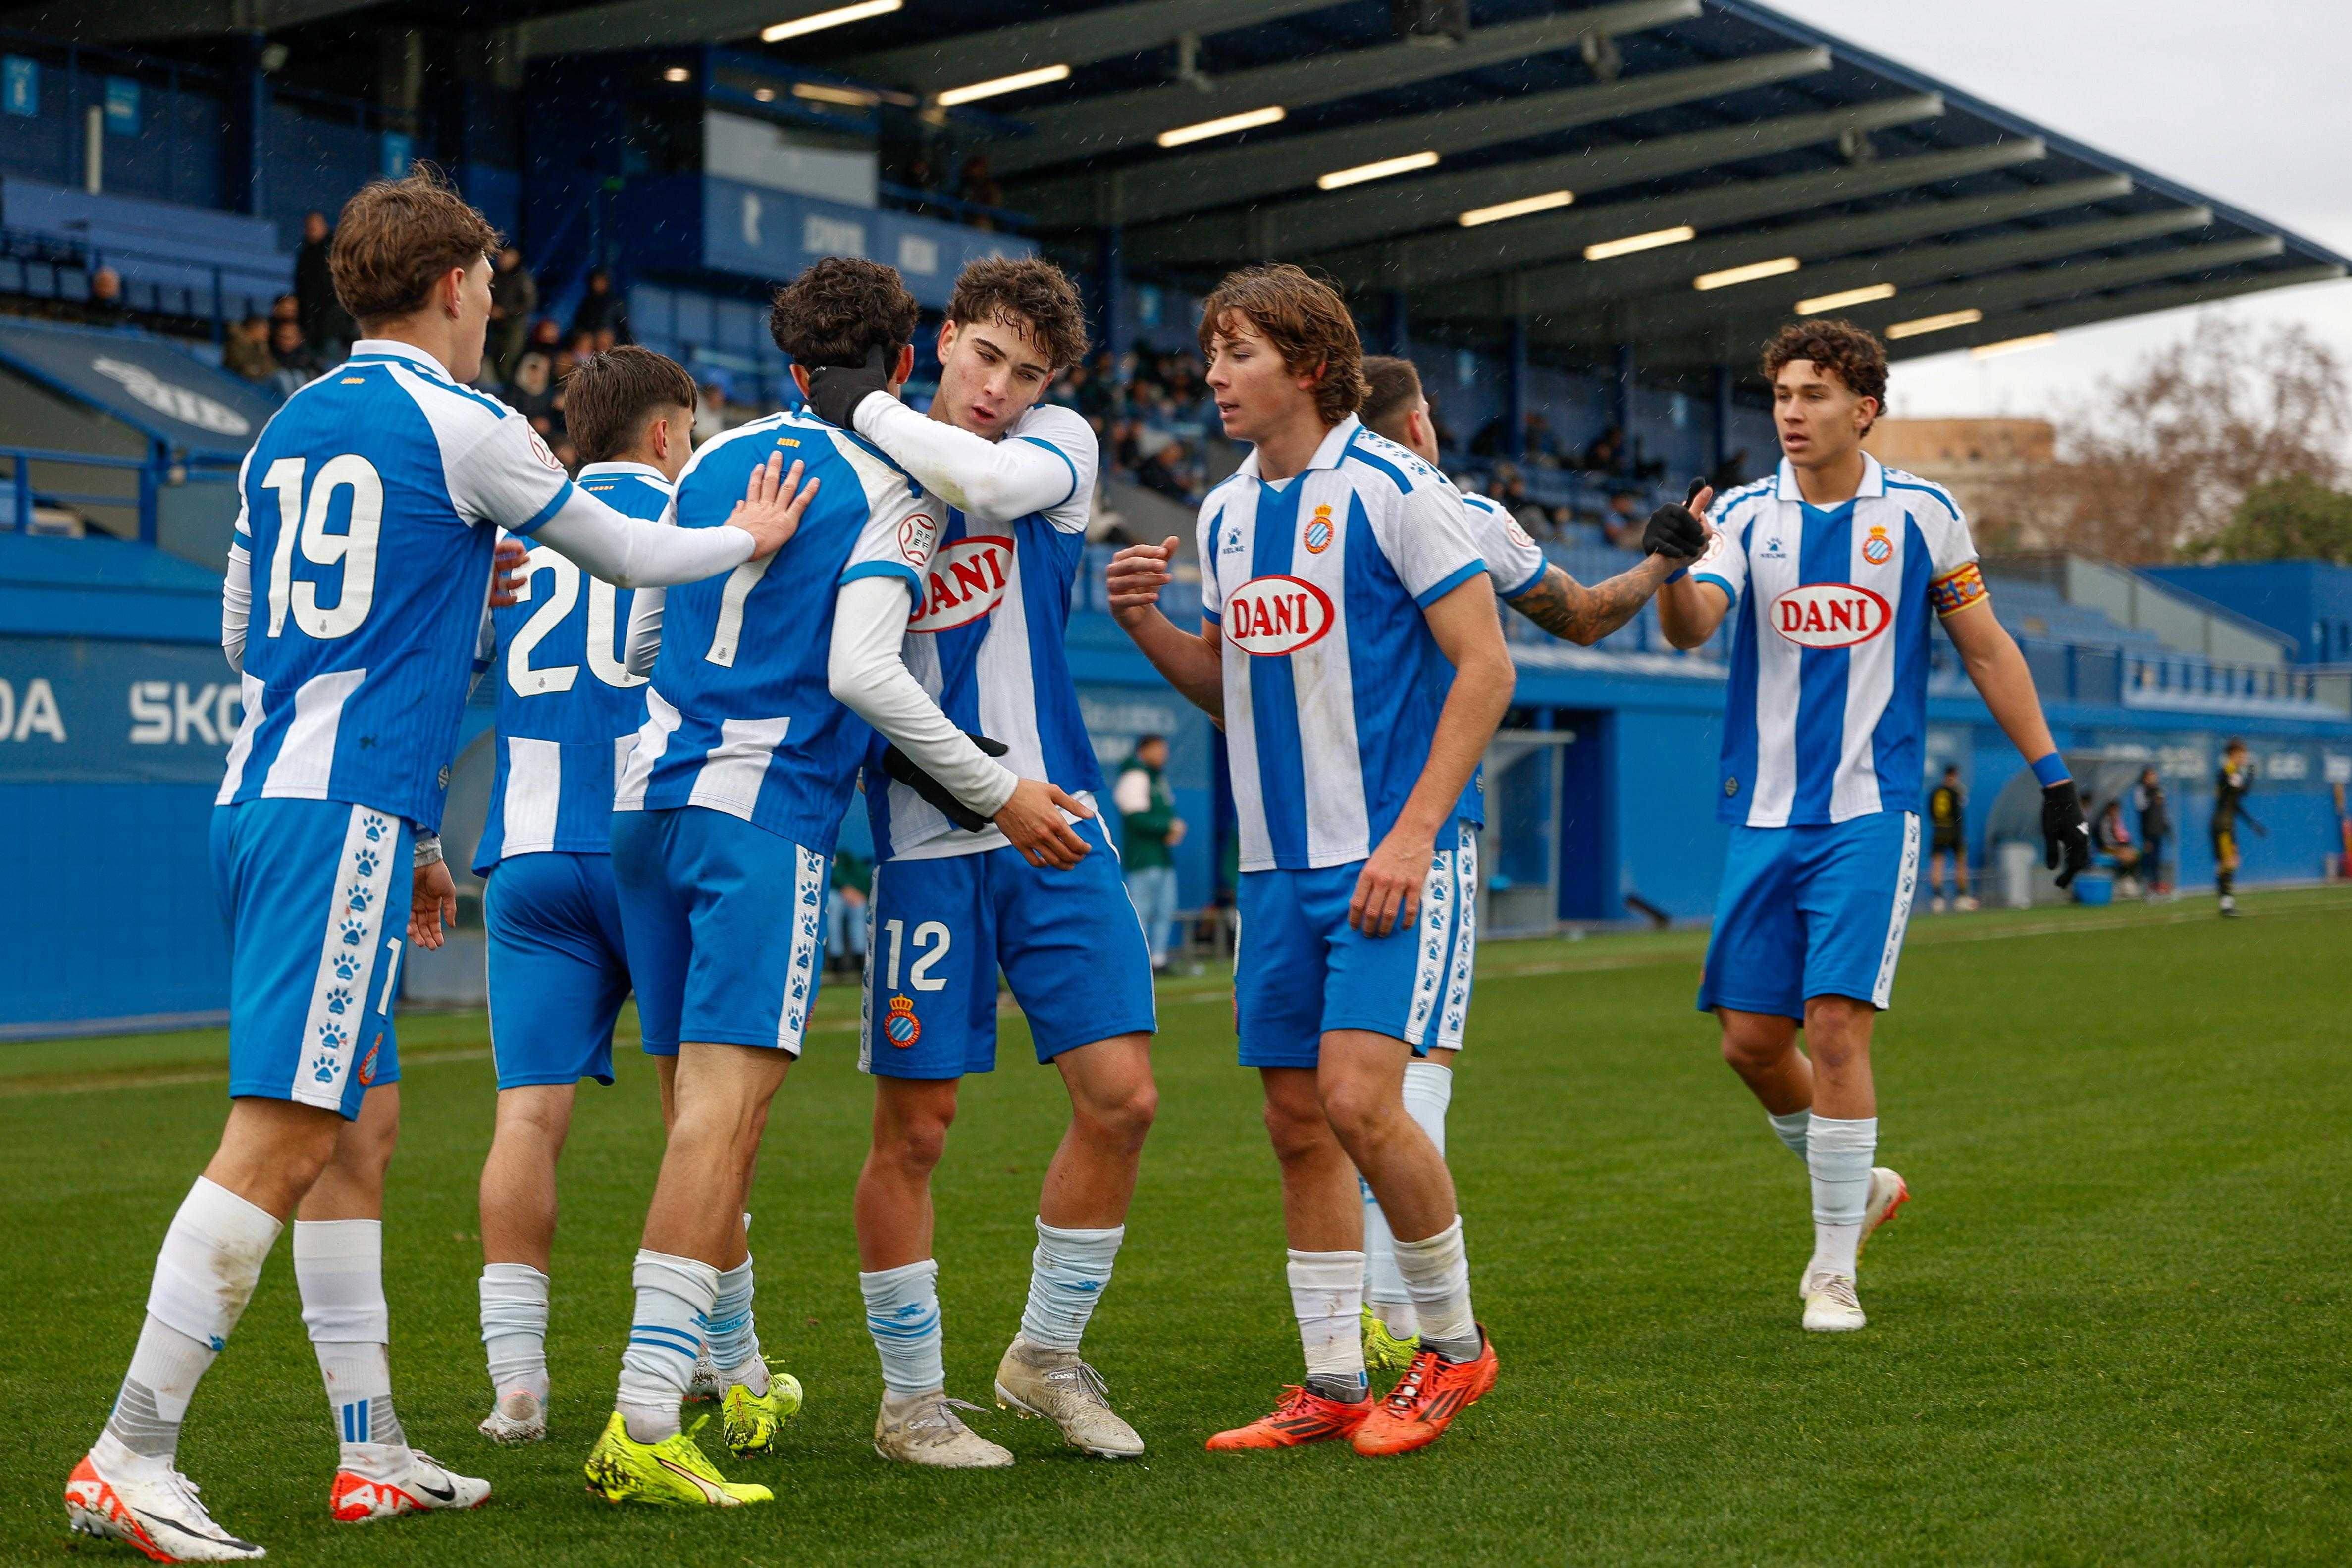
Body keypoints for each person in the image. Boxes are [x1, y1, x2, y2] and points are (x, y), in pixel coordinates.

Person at [63, 166, 808, 1561]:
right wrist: (748, 538)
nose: (492, 306)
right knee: (285, 1133)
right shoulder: (466, 420)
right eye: (488, 285)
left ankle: (370, 1448)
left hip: (270, 793)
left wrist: (434, 612)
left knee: (358, 1129)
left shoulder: (284, 423)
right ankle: (131, 1447)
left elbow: (245, 633)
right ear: (460, 285)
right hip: (338, 804)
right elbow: (627, 550)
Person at [582, 255, 1088, 1505]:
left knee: (696, 1111)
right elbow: (869, 673)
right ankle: (644, 1416)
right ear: (906, 366)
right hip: (764, 818)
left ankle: (713, 1380)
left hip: (649, 806)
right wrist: (987, 785)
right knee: (724, 1117)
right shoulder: (897, 486)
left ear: (791, 369)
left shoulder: (712, 460)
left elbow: (644, 631)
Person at [1106, 264, 1511, 1457]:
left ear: (1311, 369)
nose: (1213, 376)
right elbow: (1234, 694)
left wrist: (1412, 833)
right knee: (1296, 1123)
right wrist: (1145, 627)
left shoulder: (1398, 491)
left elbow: (1486, 670)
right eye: (1212, 353)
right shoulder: (1227, 513)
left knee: (1359, 1102)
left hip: (1386, 859)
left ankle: (1451, 1348)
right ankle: (1331, 1377)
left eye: (1237, 355)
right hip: (1277, 872)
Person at [1655, 318, 2089, 1334]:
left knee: (1835, 1026)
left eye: (1812, 394)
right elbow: (1692, 626)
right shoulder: (1748, 516)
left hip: (1869, 809)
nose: (1791, 412)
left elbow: (1985, 651)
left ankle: (1832, 1268)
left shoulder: (1926, 516)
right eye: (1781, 395)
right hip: (1762, 814)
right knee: (1751, 1043)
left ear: (1865, 408)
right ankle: (1862, 1182)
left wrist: (2054, 779)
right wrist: (1674, 568)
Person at [799, 255, 1160, 1466]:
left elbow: (987, 474)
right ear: (943, 338)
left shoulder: (1047, 445)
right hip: (924, 848)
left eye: (1027, 370)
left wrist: (866, 403)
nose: (1001, 386)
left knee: (1124, 1097)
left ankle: (1043, 1357)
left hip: (1055, 823)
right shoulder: (861, 480)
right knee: (915, 1130)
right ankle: (911, 1402)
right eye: (986, 356)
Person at [469, 344, 800, 1463]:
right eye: (692, 430)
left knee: (525, 1117)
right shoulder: (686, 522)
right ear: (666, 435)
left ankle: (516, 1385)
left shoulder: (521, 530)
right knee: (700, 1112)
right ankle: (732, 1360)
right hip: (648, 837)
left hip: (524, 853)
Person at [1350, 353, 1701, 1367]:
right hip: (1424, 820)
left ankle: (1342, 1320)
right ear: (1417, 423)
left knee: (1324, 1078)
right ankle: (1401, 1311)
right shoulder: (1455, 510)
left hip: (1310, 826)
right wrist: (1661, 562)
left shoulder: (1281, 508)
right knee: (1416, 1060)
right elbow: (1583, 615)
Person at [1114, 734, 1184, 972]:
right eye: (1157, 750)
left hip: (1162, 857)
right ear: (1143, 751)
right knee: (1141, 912)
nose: (1163, 755)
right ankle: (1137, 961)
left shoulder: (1157, 778)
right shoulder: (1135, 776)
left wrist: (1171, 828)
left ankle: (1159, 960)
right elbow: (1136, 819)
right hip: (1144, 859)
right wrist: (1168, 827)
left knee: (1166, 910)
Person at [293, 211, 354, 360]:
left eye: (315, 226)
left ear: (324, 226)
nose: (312, 230)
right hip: (312, 324)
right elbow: (301, 287)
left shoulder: (338, 250)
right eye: (309, 227)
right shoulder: (304, 254)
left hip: (336, 322)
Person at [2213, 739, 2256, 916]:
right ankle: (2226, 903)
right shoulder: (2229, 771)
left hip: (2228, 823)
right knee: (2228, 862)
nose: (2244, 757)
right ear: (2233, 754)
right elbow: (2241, 792)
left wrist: (2253, 824)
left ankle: (2225, 897)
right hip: (2223, 824)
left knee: (2231, 861)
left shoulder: (2233, 772)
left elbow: (2236, 801)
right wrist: (2252, 775)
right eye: (2241, 754)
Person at [1926, 765, 1976, 912]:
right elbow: (1959, 812)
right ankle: (1961, 897)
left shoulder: (1935, 792)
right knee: (1960, 862)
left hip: (1939, 830)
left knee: (1937, 863)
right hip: (1954, 832)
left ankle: (1937, 899)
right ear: (1954, 775)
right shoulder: (1956, 791)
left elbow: (1931, 812)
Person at [487, 246, 537, 384]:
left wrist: (505, 311)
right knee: (494, 359)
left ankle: (509, 393)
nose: (504, 259)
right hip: (495, 325)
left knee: (508, 361)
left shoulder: (522, 277)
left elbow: (529, 304)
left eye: (508, 256)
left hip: (515, 326)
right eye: (502, 255)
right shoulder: (494, 275)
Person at [2132, 765, 2170, 898]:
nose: (2154, 779)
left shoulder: (2159, 790)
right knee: (2148, 859)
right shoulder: (2141, 791)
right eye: (2150, 776)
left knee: (2156, 860)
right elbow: (2142, 810)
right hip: (2148, 832)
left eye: (2154, 776)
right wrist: (2145, 836)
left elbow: (2162, 811)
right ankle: (2145, 887)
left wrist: (2167, 827)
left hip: (2158, 830)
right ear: (2145, 778)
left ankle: (2155, 888)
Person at [569, 267, 629, 343]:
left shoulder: (615, 303)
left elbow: (625, 328)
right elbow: (579, 324)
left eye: (600, 281)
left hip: (609, 342)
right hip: (589, 344)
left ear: (606, 283)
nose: (597, 284)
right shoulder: (587, 303)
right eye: (596, 281)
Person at [266, 319, 322, 400]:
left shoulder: (306, 355)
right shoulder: (268, 351)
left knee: (299, 377)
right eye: (282, 337)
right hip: (274, 397)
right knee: (284, 377)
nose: (285, 341)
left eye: (289, 338)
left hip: (304, 390)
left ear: (299, 339)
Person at [222, 314, 275, 383]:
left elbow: (272, 368)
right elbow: (244, 369)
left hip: (259, 380)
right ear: (253, 329)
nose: (268, 334)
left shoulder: (261, 347)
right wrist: (263, 372)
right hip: (238, 383)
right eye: (264, 330)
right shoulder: (235, 344)